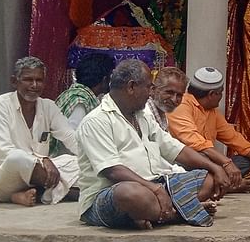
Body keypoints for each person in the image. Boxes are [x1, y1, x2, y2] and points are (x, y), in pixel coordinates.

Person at [76, 59, 229, 230]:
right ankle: (177, 213)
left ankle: (154, 213)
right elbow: (112, 170)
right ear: (131, 86)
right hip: (111, 194)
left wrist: (216, 167)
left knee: (208, 180)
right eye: (148, 87)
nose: (150, 93)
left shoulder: (142, 116)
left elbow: (175, 149)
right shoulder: (97, 121)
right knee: (130, 194)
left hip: (155, 185)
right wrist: (155, 190)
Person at [0, 56, 81, 207]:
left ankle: (35, 193)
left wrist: (97, 158)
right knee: (17, 158)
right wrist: (42, 159)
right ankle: (53, 192)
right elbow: (4, 152)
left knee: (76, 161)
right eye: (28, 80)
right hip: (1, 179)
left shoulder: (48, 106)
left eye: (39, 80)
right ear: (15, 81)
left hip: (39, 175)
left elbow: (71, 138)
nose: (34, 85)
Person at [167, 66, 250, 190]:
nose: (221, 97)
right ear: (212, 94)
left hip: (207, 162)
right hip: (183, 162)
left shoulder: (212, 112)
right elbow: (195, 143)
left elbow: (234, 139)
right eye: (221, 93)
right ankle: (225, 185)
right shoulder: (181, 105)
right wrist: (226, 163)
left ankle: (220, 183)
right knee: (202, 157)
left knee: (244, 161)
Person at [55, 53, 114, 128]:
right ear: (105, 79)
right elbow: (73, 136)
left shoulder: (71, 94)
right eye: (110, 76)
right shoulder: (80, 101)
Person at [144, 66, 188, 133]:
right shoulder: (144, 115)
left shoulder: (162, 115)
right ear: (153, 90)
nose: (174, 99)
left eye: (179, 95)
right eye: (169, 92)